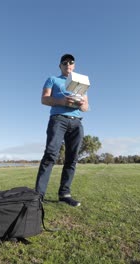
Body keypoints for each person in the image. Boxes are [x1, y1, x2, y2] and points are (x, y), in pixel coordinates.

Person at [35, 54, 89, 207]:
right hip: (58, 119)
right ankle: (38, 195)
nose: (68, 64)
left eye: (71, 62)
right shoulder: (53, 79)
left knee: (72, 159)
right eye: (65, 63)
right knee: (51, 154)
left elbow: (85, 108)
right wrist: (61, 101)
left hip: (76, 122)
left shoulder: (82, 83)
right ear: (60, 66)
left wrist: (80, 103)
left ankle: (64, 194)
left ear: (74, 66)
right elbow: (44, 99)